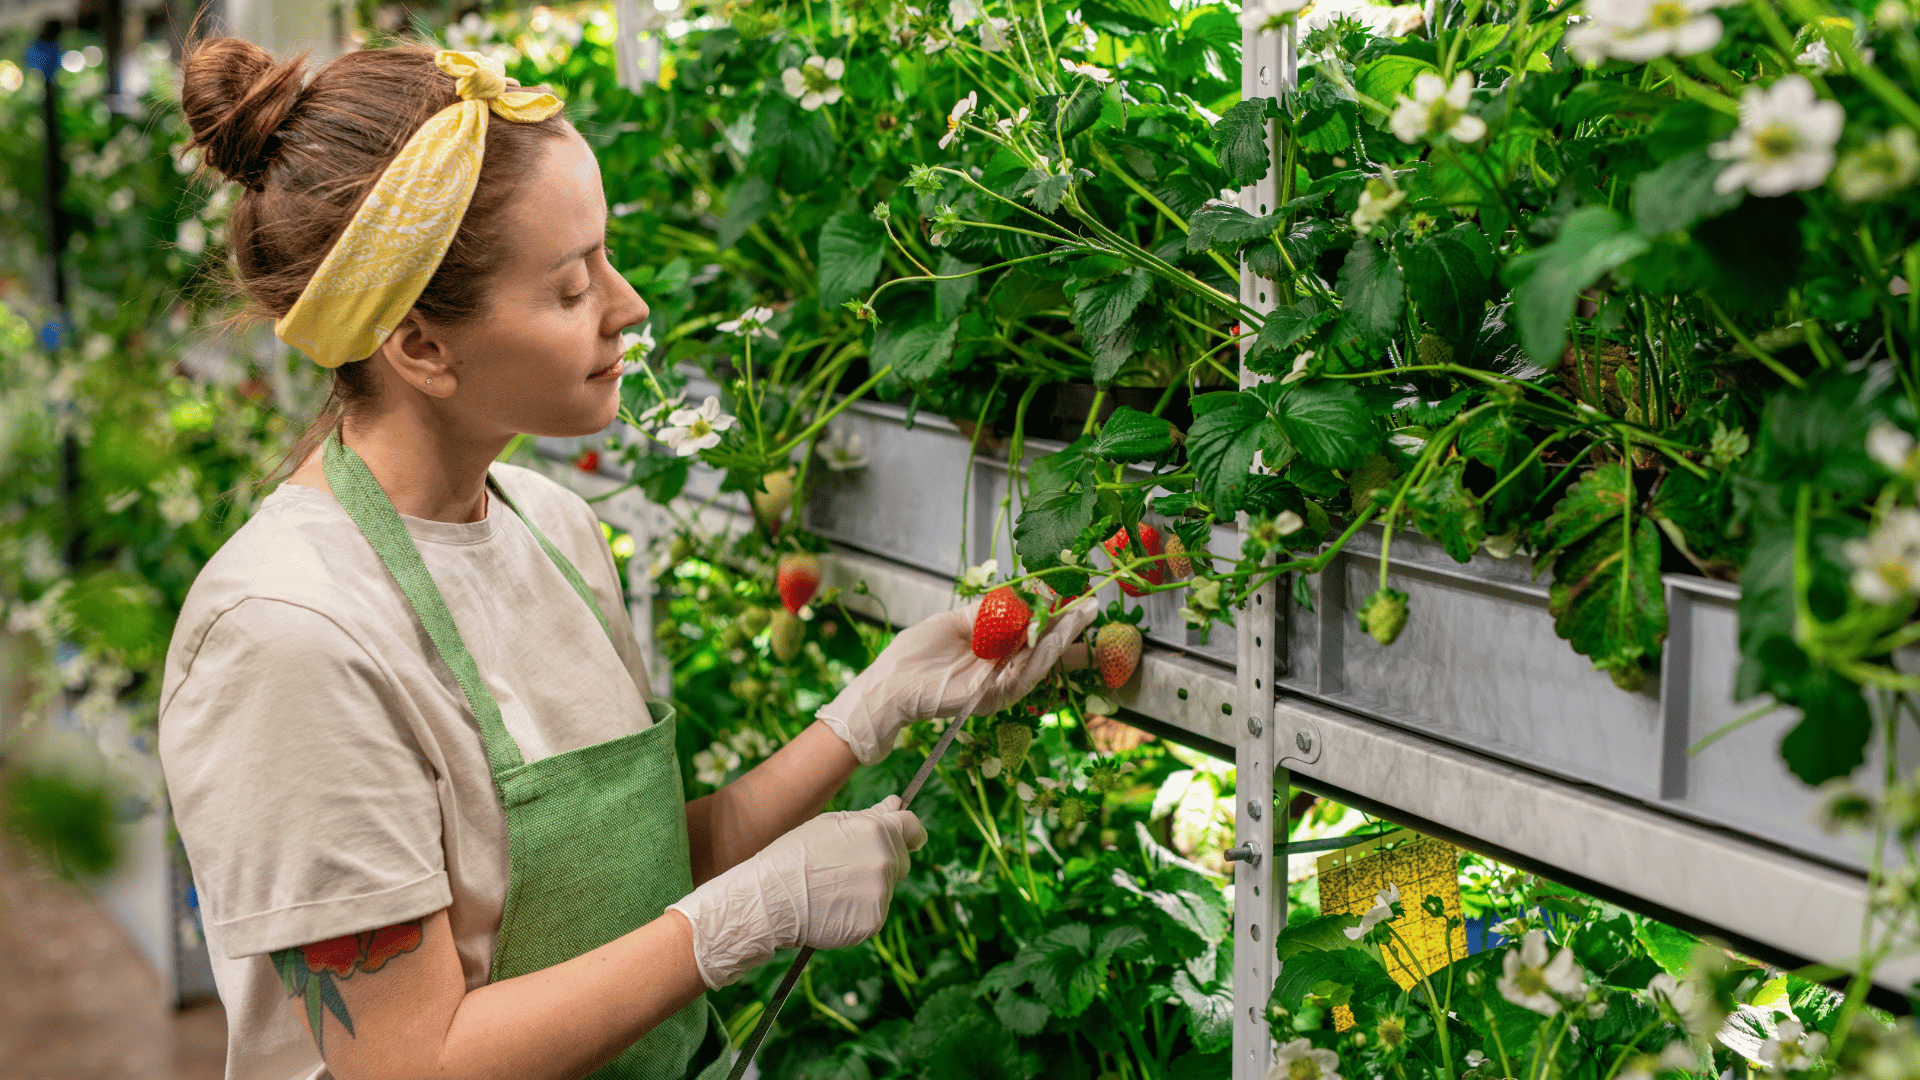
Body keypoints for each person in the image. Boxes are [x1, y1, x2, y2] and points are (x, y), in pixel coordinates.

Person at [157, 39, 1096, 1080]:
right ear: (420, 345)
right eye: (571, 287)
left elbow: (625, 889)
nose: (629, 304)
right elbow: (411, 1059)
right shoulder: (291, 636)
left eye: (605, 257)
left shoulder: (549, 529)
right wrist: (736, 924)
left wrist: (868, 714)